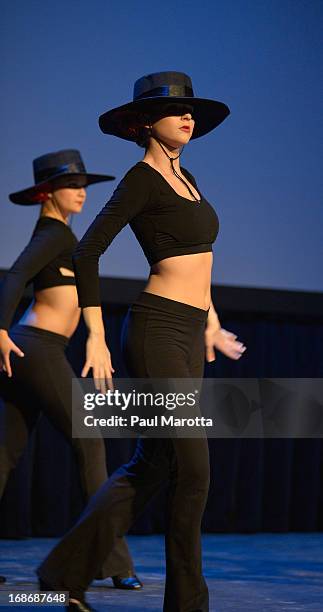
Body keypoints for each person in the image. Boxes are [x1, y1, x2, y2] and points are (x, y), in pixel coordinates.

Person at [37, 72, 247, 612]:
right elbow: (87, 253)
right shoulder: (141, 179)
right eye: (176, 110)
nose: (188, 117)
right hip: (154, 331)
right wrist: (98, 337)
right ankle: (187, 605)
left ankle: (62, 573)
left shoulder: (189, 178)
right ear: (144, 123)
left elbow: (199, 260)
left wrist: (212, 321)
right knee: (194, 471)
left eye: (191, 111)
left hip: (186, 329)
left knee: (152, 465)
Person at [0, 149, 142, 590]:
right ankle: (113, 562)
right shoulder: (54, 233)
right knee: (91, 445)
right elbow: (15, 275)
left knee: (3, 455)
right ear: (47, 192)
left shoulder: (60, 235)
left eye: (84, 186)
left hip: (31, 350)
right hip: (36, 350)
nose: (81, 193)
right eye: (72, 186)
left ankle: (108, 560)